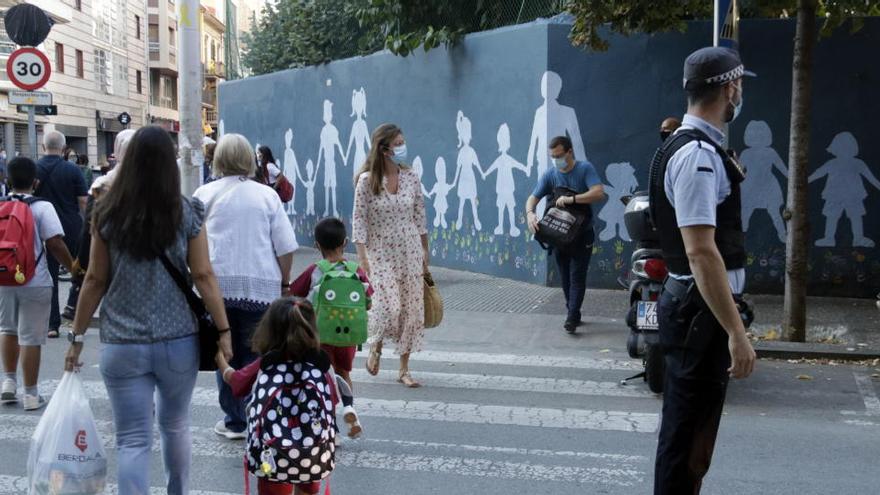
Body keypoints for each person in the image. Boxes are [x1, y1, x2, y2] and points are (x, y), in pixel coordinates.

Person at [62, 125, 232, 495]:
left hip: (122, 342)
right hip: (177, 340)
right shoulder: (186, 212)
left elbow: (93, 280)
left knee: (132, 438)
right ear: (169, 166)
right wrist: (223, 331)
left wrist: (75, 337)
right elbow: (203, 274)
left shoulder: (106, 213)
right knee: (175, 426)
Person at [649, 47, 757, 494]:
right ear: (730, 88)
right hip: (702, 314)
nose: (741, 92)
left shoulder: (690, 146)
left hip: (694, 308)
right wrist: (736, 332)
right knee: (687, 438)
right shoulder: (697, 156)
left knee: (691, 436)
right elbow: (700, 253)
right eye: (740, 85)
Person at [193, 134, 298, 440]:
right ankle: (259, 414)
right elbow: (285, 246)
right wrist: (285, 282)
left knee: (223, 352)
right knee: (255, 354)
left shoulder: (203, 193)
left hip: (216, 287)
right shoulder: (267, 196)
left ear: (218, 159)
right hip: (261, 287)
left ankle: (234, 419)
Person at [216, 297, 338, 495]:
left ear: (269, 329)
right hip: (312, 451)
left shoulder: (268, 363)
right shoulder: (320, 364)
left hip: (273, 451)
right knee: (307, 487)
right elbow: (333, 400)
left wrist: (220, 360)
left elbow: (237, 382)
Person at [0, 157, 81, 410]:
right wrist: (73, 269)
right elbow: (55, 243)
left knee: (7, 329)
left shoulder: (1, 205)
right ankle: (32, 394)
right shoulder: (43, 207)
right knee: (31, 337)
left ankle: (9, 384)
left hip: (4, 277)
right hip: (35, 280)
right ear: (35, 182)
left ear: (7, 180)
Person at [352, 123, 429, 388]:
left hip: (409, 249)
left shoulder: (411, 177)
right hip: (380, 251)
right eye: (397, 143)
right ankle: (375, 344)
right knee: (389, 306)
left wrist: (425, 248)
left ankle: (404, 369)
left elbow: (420, 214)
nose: (401, 147)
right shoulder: (367, 181)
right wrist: (362, 257)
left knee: (410, 309)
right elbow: (359, 220)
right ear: (383, 149)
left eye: (402, 142)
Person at [290, 217, 371, 438]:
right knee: (344, 373)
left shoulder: (315, 270)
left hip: (320, 335)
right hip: (349, 337)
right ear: (345, 242)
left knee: (322, 377)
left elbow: (294, 293)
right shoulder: (356, 270)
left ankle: (329, 425)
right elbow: (369, 298)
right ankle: (349, 406)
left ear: (317, 245)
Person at [525, 135, 605, 334]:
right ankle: (573, 310)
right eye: (552, 156)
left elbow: (598, 193)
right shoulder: (550, 174)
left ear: (570, 152)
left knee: (577, 275)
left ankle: (571, 316)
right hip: (559, 235)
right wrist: (530, 215)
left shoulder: (585, 169)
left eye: (559, 155)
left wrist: (571, 200)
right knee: (565, 276)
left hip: (582, 234)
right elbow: (532, 198)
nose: (556, 159)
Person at [34, 131, 88, 338]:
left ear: (43, 147)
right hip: (71, 228)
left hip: (44, 231)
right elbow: (83, 201)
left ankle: (51, 325)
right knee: (80, 269)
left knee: (50, 276)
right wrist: (86, 224)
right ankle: (73, 310)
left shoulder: (35, 169)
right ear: (64, 148)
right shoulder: (72, 169)